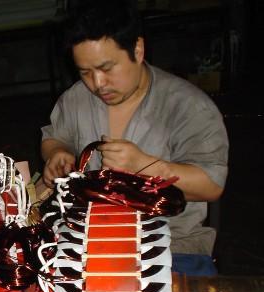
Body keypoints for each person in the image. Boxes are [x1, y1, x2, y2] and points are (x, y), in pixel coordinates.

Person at [40, 0, 228, 275]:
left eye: (107, 68)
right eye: (85, 72)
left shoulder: (188, 106)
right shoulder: (76, 98)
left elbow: (211, 185)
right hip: (90, 241)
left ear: (137, 50)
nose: (98, 84)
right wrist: (57, 153)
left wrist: (144, 165)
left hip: (170, 247)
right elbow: (54, 137)